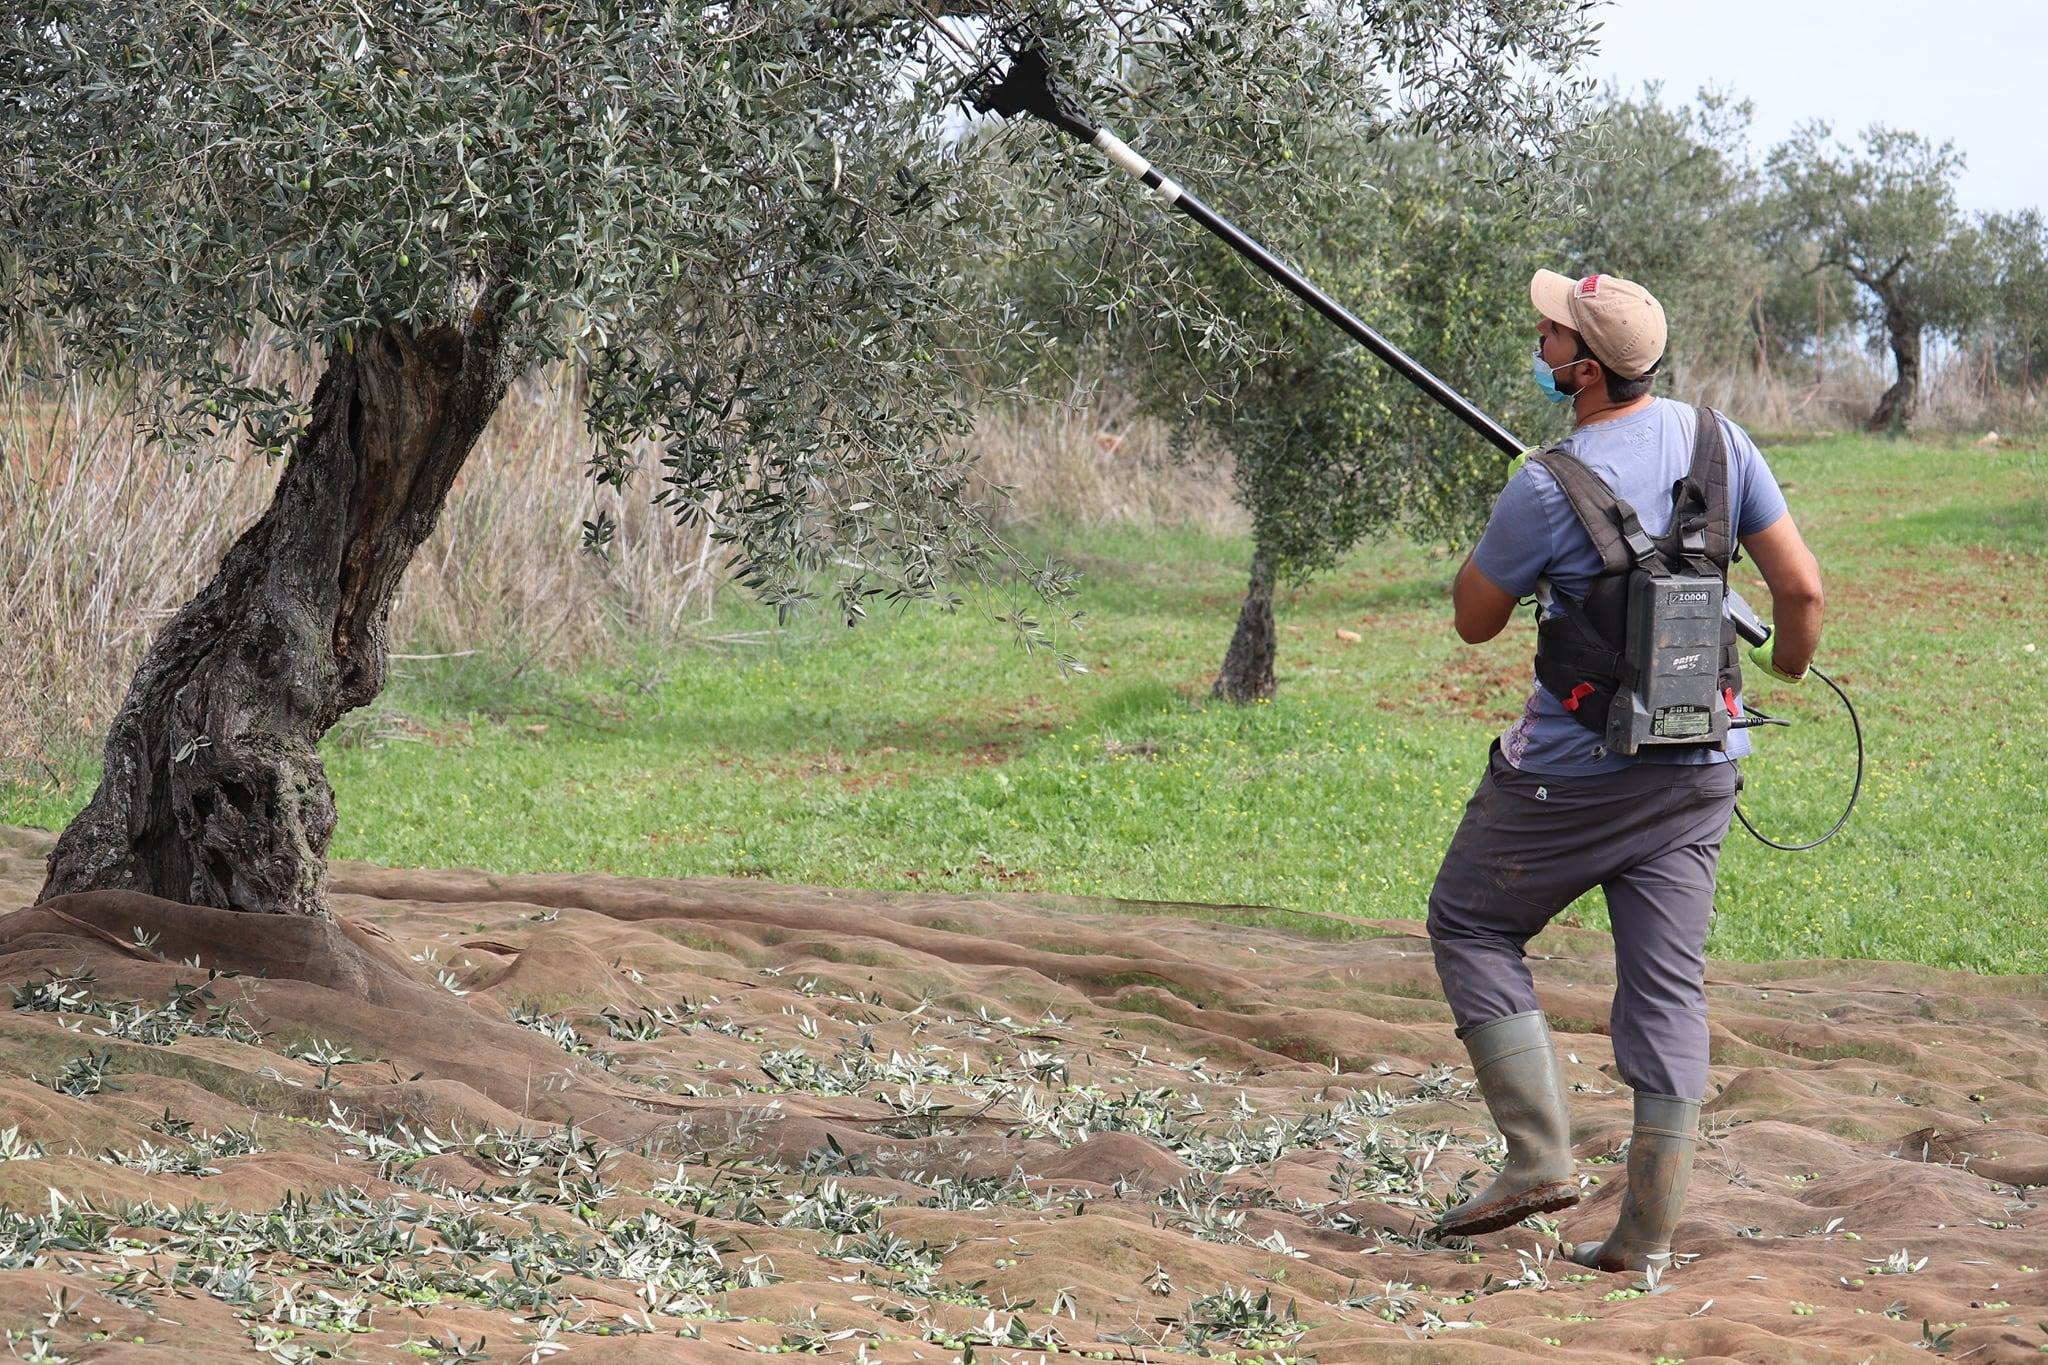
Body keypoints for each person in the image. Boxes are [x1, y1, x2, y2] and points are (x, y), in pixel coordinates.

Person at [1425, 269, 1825, 1271]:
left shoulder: (1541, 484)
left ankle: (1536, 1156)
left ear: (1583, 368)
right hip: (1696, 773)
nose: (1539, 337)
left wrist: (1518, 520)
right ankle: (1641, 1241)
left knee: (1469, 920)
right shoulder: (1718, 443)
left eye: (1549, 331)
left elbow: (1473, 620)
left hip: (1563, 780)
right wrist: (1778, 664)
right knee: (1664, 991)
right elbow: (1800, 590)